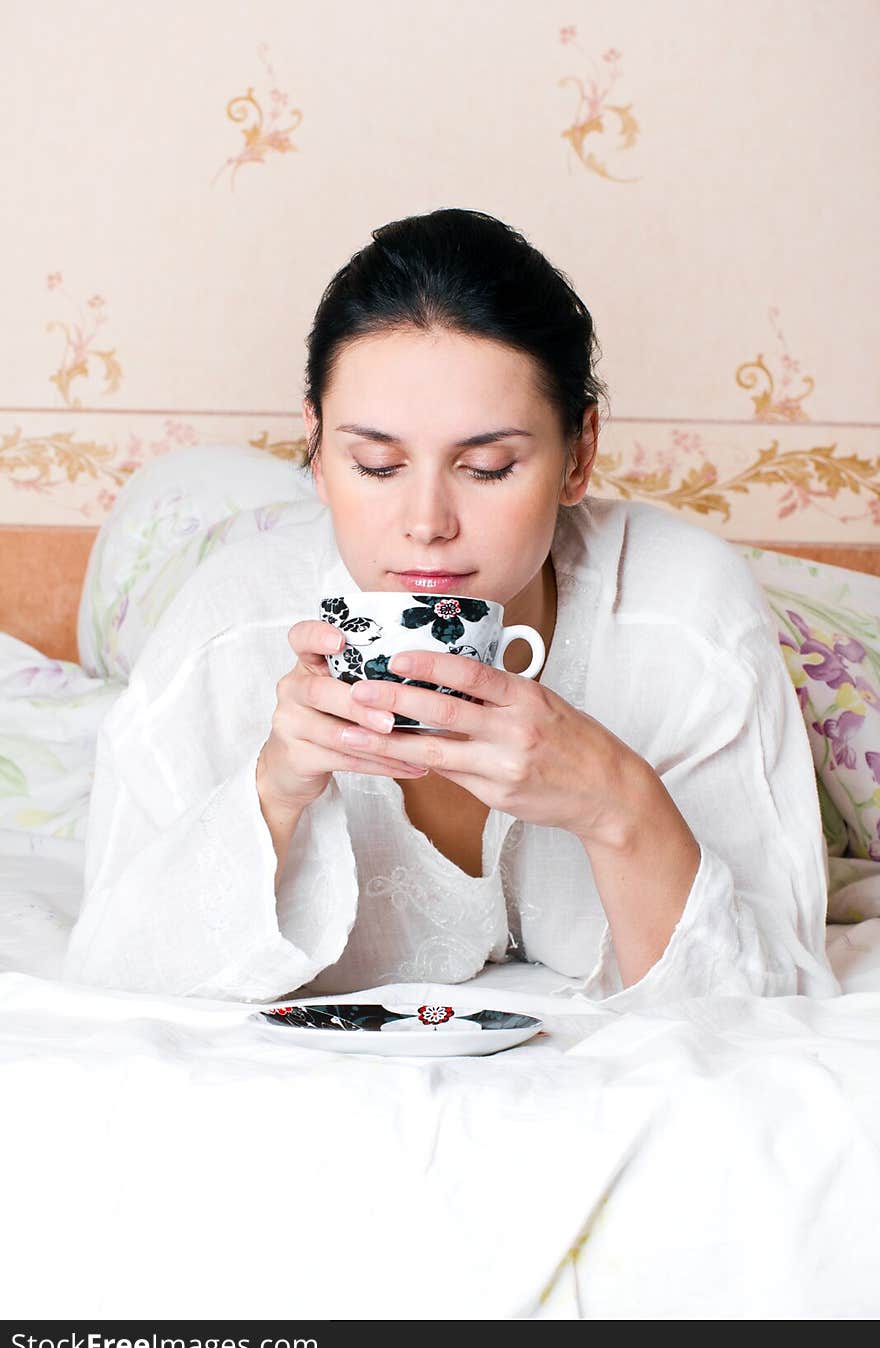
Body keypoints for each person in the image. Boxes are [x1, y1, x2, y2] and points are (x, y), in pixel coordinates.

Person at [62, 208, 840, 1005]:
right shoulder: (230, 628)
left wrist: (618, 801)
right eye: (375, 463)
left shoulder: (683, 616)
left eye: (489, 467)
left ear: (579, 456)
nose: (427, 523)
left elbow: (774, 1001)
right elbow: (107, 976)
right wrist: (275, 790)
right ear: (319, 451)